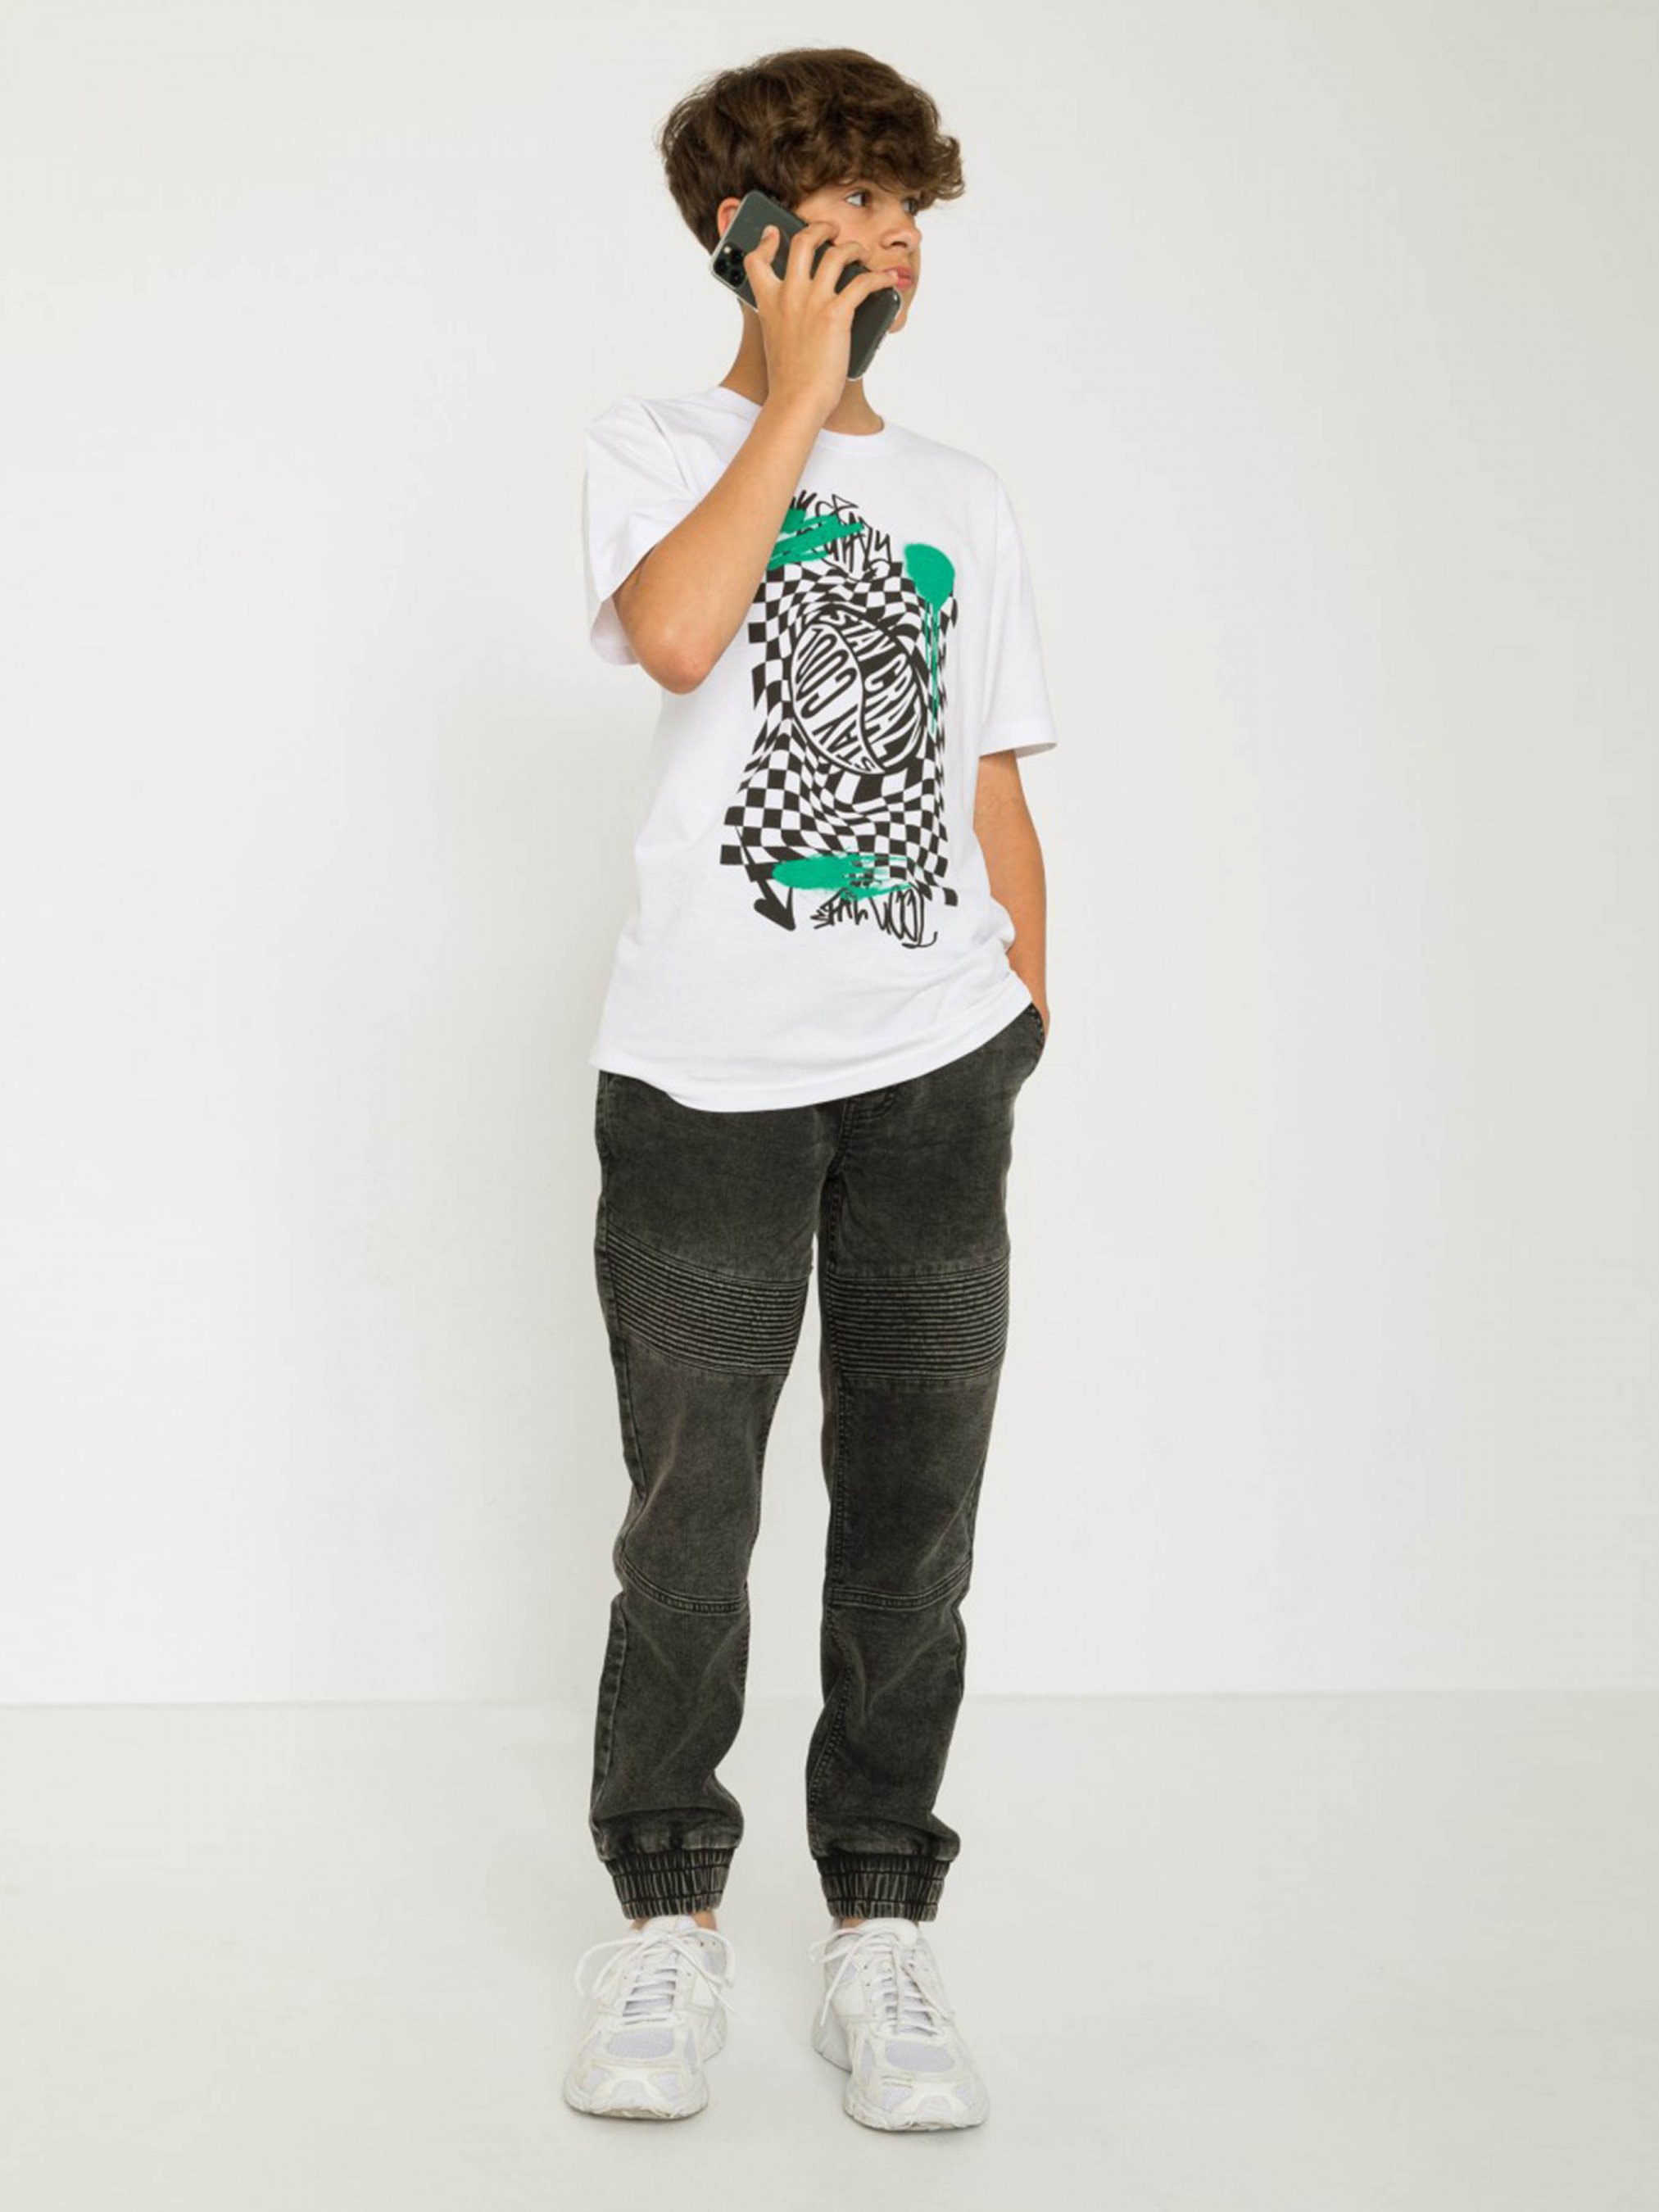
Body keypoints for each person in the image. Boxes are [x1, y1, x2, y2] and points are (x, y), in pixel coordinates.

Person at [562, 47, 1060, 2131]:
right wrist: (789, 394)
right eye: (847, 206)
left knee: (914, 1516)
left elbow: (988, 767)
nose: (890, 244)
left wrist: (1020, 1011)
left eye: (908, 212)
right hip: (706, 1074)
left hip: (935, 1066)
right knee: (691, 1519)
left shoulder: (966, 496)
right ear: (745, 232)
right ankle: (666, 1918)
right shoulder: (656, 445)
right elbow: (684, 639)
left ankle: (880, 1921)